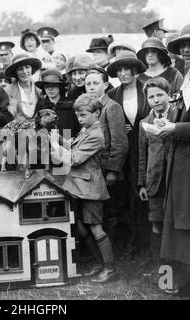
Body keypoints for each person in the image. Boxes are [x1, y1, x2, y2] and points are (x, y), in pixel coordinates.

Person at [156, 22, 190, 298]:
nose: (186, 49)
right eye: (182, 46)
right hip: (183, 162)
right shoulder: (189, 75)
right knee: (186, 226)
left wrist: (176, 129)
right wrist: (169, 123)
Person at [50, 94, 116, 283]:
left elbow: (74, 158)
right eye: (78, 115)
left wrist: (55, 145)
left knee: (96, 228)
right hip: (78, 186)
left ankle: (110, 268)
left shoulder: (96, 135)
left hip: (90, 188)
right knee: (81, 226)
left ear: (97, 113)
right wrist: (59, 139)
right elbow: (72, 146)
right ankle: (98, 263)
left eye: (83, 115)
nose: (79, 119)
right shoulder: (86, 129)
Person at [107, 50, 151, 259]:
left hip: (145, 149)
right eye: (119, 69)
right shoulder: (113, 94)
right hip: (123, 151)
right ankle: (128, 243)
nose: (123, 73)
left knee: (142, 194)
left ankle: (144, 243)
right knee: (123, 196)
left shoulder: (146, 89)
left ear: (135, 70)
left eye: (127, 68)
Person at [138, 77, 176, 284]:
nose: (155, 100)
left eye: (159, 95)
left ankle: (180, 272)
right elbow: (142, 155)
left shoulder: (177, 117)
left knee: (175, 227)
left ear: (169, 95)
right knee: (157, 225)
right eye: (151, 96)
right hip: (154, 181)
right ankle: (164, 276)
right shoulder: (145, 122)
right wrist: (141, 183)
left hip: (175, 179)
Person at [85, 67, 129, 243]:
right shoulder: (88, 108)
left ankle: (113, 255)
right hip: (94, 170)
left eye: (95, 83)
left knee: (110, 212)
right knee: (98, 214)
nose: (91, 87)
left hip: (107, 171)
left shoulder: (112, 107)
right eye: (88, 84)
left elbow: (120, 142)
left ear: (105, 85)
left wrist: (112, 170)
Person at [35, 69, 80, 138]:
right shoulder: (41, 106)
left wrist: (66, 142)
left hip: (68, 142)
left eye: (53, 85)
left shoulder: (70, 105)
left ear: (60, 86)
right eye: (47, 86)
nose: (50, 89)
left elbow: (75, 128)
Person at [4, 53, 43, 120]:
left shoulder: (40, 89)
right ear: (15, 72)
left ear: (32, 69)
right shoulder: (8, 91)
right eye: (20, 69)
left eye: (27, 67)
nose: (24, 71)